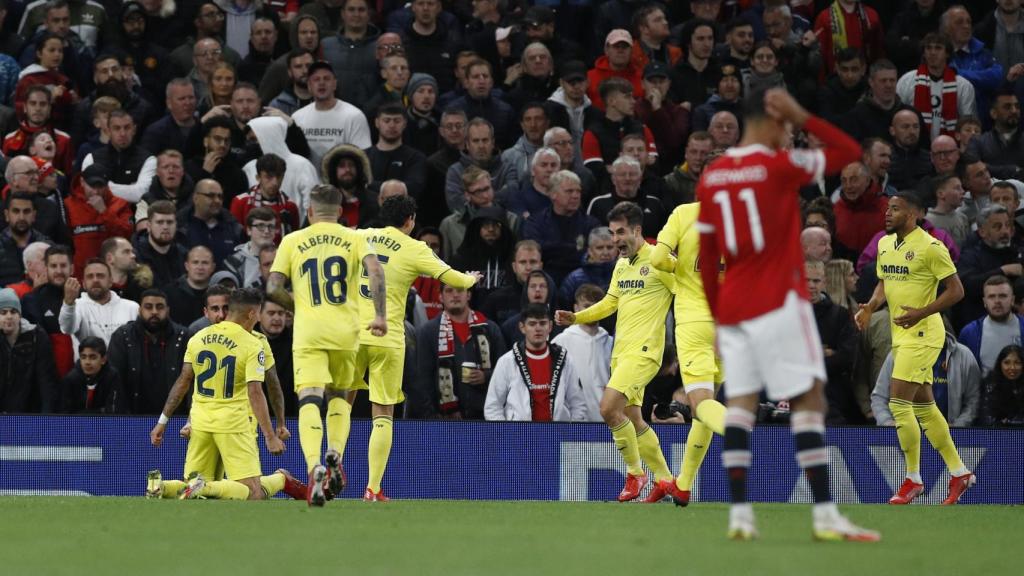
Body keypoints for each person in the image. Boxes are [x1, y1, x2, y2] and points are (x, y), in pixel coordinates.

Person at [698, 88, 876, 540]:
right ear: (772, 120)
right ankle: (825, 515)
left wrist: (718, 319)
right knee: (809, 399)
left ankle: (740, 515)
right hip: (778, 300)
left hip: (734, 306)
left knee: (739, 404)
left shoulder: (713, 176)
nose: (791, 134)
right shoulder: (779, 167)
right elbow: (849, 153)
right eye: (788, 126)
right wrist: (805, 114)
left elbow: (708, 256)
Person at [345, 195, 478, 501]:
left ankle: (328, 468)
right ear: (410, 221)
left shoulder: (360, 236)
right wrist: (471, 279)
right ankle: (373, 488)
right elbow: (453, 278)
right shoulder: (415, 248)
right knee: (382, 412)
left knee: (341, 405)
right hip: (386, 336)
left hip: (350, 336)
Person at [555, 201, 682, 504]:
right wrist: (577, 317)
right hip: (621, 353)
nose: (615, 240)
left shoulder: (661, 261)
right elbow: (610, 303)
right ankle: (665, 480)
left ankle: (635, 473)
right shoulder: (622, 265)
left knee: (608, 409)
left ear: (637, 230)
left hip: (645, 352)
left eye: (620, 232)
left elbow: (688, 293)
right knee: (633, 419)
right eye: (612, 233)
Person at [267, 183, 385, 506]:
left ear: (309, 212)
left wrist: (298, 305)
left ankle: (313, 467)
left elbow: (272, 287)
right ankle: (335, 453)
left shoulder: (293, 240)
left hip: (309, 331)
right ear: (341, 212)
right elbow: (376, 271)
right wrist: (380, 315)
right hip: (345, 331)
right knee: (338, 397)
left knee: (309, 397)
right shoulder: (356, 238)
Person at [856, 190, 974, 505]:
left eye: (895, 209)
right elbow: (884, 282)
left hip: (924, 332)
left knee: (898, 403)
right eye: (887, 208)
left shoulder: (931, 247)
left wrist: (922, 312)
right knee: (923, 407)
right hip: (901, 332)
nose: (887, 213)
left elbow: (957, 291)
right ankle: (959, 472)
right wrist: (870, 306)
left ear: (912, 215)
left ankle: (913, 478)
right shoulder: (884, 244)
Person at [148, 287, 299, 502]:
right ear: (252, 313)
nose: (258, 319)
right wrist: (270, 436)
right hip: (233, 424)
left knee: (193, 488)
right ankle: (277, 479)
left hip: (200, 424)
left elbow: (183, 381)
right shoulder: (252, 344)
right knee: (253, 493)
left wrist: (162, 421)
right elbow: (256, 391)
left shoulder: (198, 338)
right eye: (258, 313)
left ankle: (162, 487)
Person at [650, 201, 728, 505]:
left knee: (701, 403)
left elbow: (658, 259)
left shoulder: (684, 213)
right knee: (703, 411)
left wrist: (679, 265)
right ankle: (683, 484)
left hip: (694, 323)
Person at [409, 283, 506, 419]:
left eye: (460, 290)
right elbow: (422, 379)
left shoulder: (490, 329)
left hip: (486, 417)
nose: (455, 295)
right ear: (440, 297)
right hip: (443, 419)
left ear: (469, 295)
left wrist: (486, 376)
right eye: (449, 291)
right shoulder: (427, 332)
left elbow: (506, 372)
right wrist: (432, 416)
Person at [485, 302, 587, 422]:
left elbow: (578, 404)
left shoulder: (564, 359)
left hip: (558, 433)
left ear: (550, 326)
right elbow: (492, 407)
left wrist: (572, 431)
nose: (538, 328)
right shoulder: (507, 362)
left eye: (542, 323)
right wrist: (508, 432)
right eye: (532, 324)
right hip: (519, 433)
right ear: (522, 327)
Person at [872, 330, 981, 428]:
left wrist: (958, 427)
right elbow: (879, 397)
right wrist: (888, 424)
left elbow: (974, 400)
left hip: (951, 438)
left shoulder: (964, 356)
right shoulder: (897, 354)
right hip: (905, 437)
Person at [106, 289, 188, 415]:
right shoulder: (122, 336)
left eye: (160, 307)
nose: (154, 312)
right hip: (132, 415)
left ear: (168, 310)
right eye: (148, 307)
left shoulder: (183, 337)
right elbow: (115, 381)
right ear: (139, 310)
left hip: (175, 417)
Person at [292, 61, 371, 169]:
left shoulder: (354, 116)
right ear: (309, 86)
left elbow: (361, 157)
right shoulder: (297, 117)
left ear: (335, 84)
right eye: (316, 79)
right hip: (307, 178)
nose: (321, 83)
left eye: (326, 78)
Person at [58, 258, 139, 354]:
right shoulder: (77, 306)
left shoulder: (132, 308)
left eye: (100, 276)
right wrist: (68, 304)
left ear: (110, 281)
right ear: (83, 284)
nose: (95, 280)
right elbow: (67, 328)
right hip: (88, 363)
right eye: (90, 276)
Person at [0, 286, 57, 413]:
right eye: (3, 313)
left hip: (29, 412)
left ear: (20, 315)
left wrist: (46, 417)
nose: (9, 316)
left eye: (13, 312)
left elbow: (46, 381)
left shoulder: (37, 336)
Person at [958, 275, 1024, 378]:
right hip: (983, 388)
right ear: (984, 302)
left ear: (1012, 300)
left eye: (1002, 296)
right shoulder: (969, 333)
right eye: (992, 296)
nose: (997, 301)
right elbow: (961, 372)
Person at [61, 336, 119, 414]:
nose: (87, 362)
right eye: (83, 357)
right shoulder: (70, 379)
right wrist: (101, 411)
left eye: (93, 357)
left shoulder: (112, 376)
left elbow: (114, 411)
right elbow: (66, 414)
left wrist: (81, 413)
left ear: (103, 360)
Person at [978, 344, 1024, 426]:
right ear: (1000, 364)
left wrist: (1008, 423)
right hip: (996, 432)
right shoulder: (990, 384)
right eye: (1007, 363)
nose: (1012, 367)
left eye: (1017, 363)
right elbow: (987, 418)